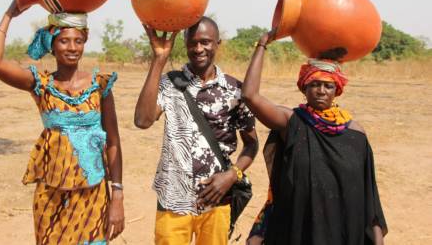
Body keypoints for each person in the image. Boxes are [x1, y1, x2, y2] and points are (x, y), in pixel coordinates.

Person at [0, 0, 124, 245]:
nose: (72, 47)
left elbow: (113, 142)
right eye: (64, 40)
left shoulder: (99, 86)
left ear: (85, 43)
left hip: (93, 195)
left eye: (78, 41)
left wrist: (118, 195)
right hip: (51, 198)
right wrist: (9, 14)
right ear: (52, 44)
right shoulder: (41, 84)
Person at [242, 32, 387, 245]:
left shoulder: (356, 134)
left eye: (328, 86)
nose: (321, 91)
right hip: (299, 229)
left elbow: (368, 196)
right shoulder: (292, 122)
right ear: (304, 88)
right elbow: (250, 96)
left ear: (336, 91)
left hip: (343, 230)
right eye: (314, 84)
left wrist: (377, 240)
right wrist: (262, 44)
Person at [134, 16, 258, 245]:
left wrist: (232, 175)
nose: (198, 49)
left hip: (216, 198)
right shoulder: (169, 83)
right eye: (192, 43)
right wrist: (159, 59)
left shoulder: (235, 90)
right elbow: (142, 120)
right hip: (173, 197)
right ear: (185, 44)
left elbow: (251, 144)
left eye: (206, 42)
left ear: (217, 43)